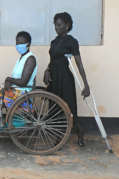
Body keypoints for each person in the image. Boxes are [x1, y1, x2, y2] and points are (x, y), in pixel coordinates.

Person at [43, 12, 90, 146]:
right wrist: (47, 70)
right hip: (54, 78)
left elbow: (79, 64)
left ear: (67, 25)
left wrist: (86, 85)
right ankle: (59, 136)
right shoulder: (54, 42)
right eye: (55, 25)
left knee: (70, 108)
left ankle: (80, 132)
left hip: (65, 78)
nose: (56, 28)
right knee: (54, 108)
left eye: (59, 25)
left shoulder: (72, 41)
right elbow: (52, 60)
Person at [0, 31, 37, 129]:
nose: (18, 45)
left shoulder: (30, 59)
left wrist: (9, 79)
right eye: (17, 43)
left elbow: (23, 82)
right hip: (15, 88)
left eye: (21, 43)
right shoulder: (21, 58)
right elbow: (17, 79)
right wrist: (9, 81)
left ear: (28, 44)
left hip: (22, 91)